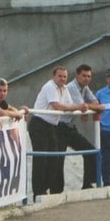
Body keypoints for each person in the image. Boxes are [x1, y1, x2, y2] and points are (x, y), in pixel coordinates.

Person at [29, 65, 88, 197]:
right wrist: (78, 107)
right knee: (41, 159)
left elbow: (69, 104)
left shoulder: (64, 88)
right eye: (59, 76)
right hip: (39, 124)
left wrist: (80, 108)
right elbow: (57, 106)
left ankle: (45, 188)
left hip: (51, 125)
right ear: (53, 76)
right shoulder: (50, 86)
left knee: (54, 158)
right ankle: (38, 193)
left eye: (64, 76)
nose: (62, 79)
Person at [62, 64, 103, 189]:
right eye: (84, 76)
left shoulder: (84, 88)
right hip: (59, 126)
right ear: (77, 76)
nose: (86, 78)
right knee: (57, 159)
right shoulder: (72, 87)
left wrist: (87, 107)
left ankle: (87, 184)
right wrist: (86, 108)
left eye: (89, 76)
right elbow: (83, 106)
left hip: (69, 126)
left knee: (90, 151)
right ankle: (55, 190)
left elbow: (96, 103)